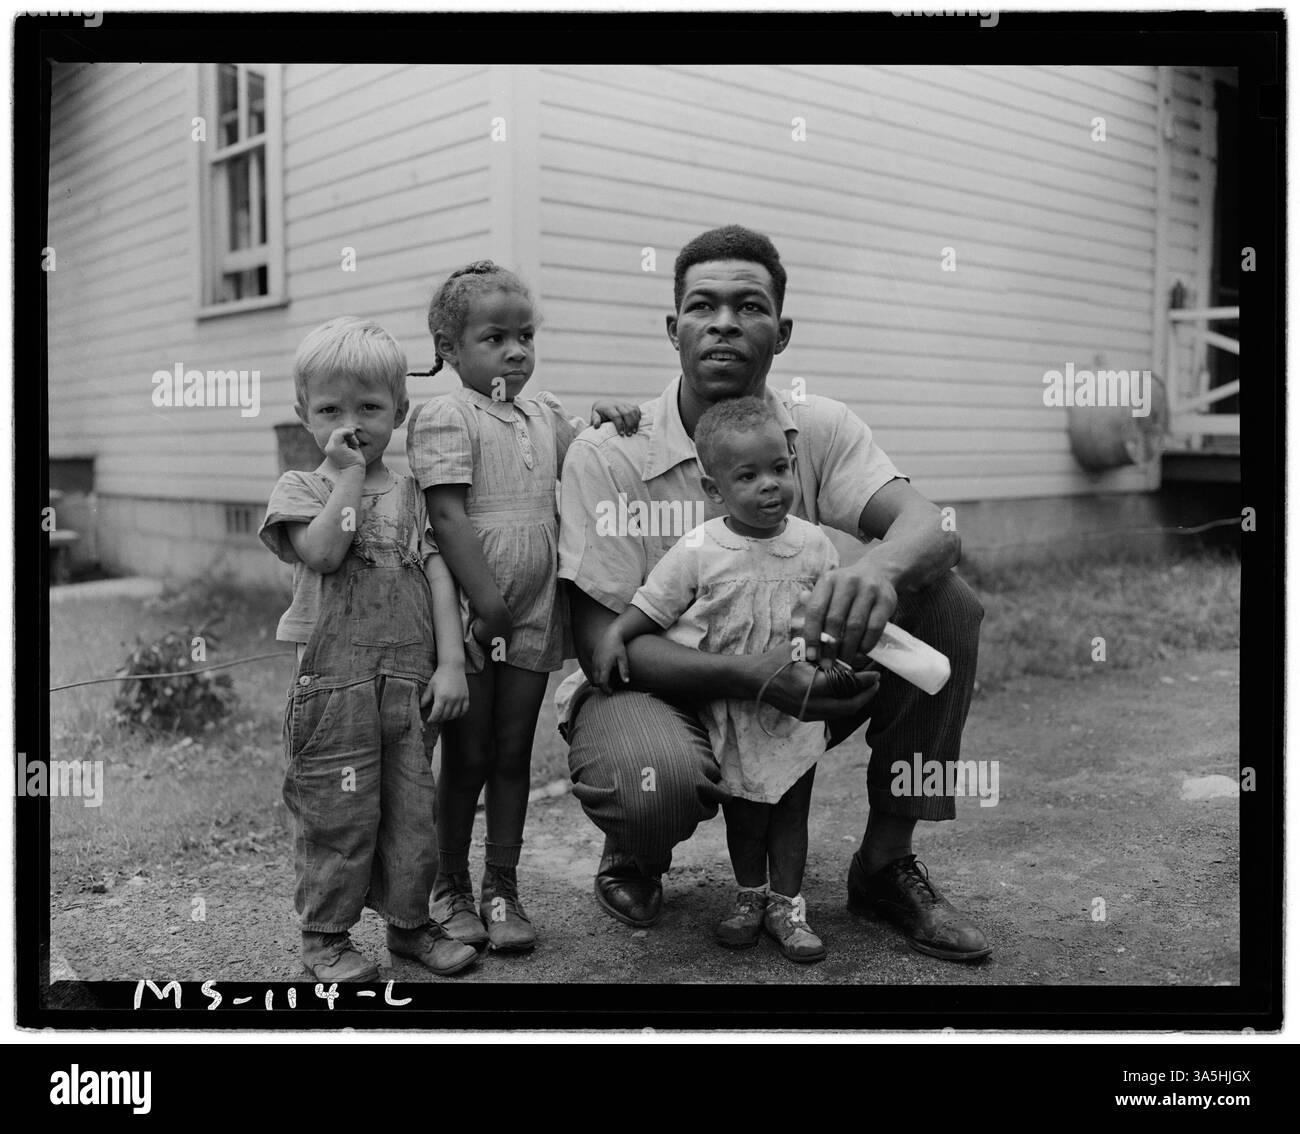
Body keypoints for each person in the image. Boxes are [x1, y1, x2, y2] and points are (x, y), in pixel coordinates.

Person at [557, 225, 991, 962]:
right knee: (649, 783)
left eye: (749, 306)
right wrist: (755, 677)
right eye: (703, 306)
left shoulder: (816, 427)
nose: (724, 323)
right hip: (658, 688)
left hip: (792, 671)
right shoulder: (611, 453)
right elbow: (604, 651)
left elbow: (931, 528)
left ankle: (885, 865)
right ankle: (639, 845)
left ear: (782, 332)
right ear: (674, 329)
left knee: (944, 600)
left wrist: (878, 572)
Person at [407, 261, 640, 954]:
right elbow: (446, 518)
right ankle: (448, 884)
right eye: (495, 338)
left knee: (512, 753)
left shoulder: (544, 414)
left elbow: (590, 455)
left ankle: (500, 885)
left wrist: (607, 418)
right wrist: (488, 605)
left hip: (534, 612)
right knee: (468, 753)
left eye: (526, 336)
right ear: (449, 347)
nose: (516, 351)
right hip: (475, 619)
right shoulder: (447, 414)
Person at [593, 397, 855, 963]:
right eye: (748, 475)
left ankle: (788, 905)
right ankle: (748, 896)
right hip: (733, 708)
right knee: (746, 811)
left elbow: (831, 614)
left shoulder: (814, 544)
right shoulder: (701, 549)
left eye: (780, 468)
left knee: (790, 808)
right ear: (714, 489)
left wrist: (831, 657)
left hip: (794, 709)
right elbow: (652, 608)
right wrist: (617, 635)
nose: (770, 485)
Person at [259, 316, 479, 982]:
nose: (349, 422)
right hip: (333, 693)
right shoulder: (302, 490)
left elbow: (440, 576)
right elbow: (324, 553)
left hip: (408, 684)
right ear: (303, 414)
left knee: (412, 817)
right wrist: (350, 476)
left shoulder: (414, 496)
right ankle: (325, 936)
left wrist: (449, 663)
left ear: (400, 412)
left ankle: (410, 929)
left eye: (369, 408)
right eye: (329, 409)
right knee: (339, 816)